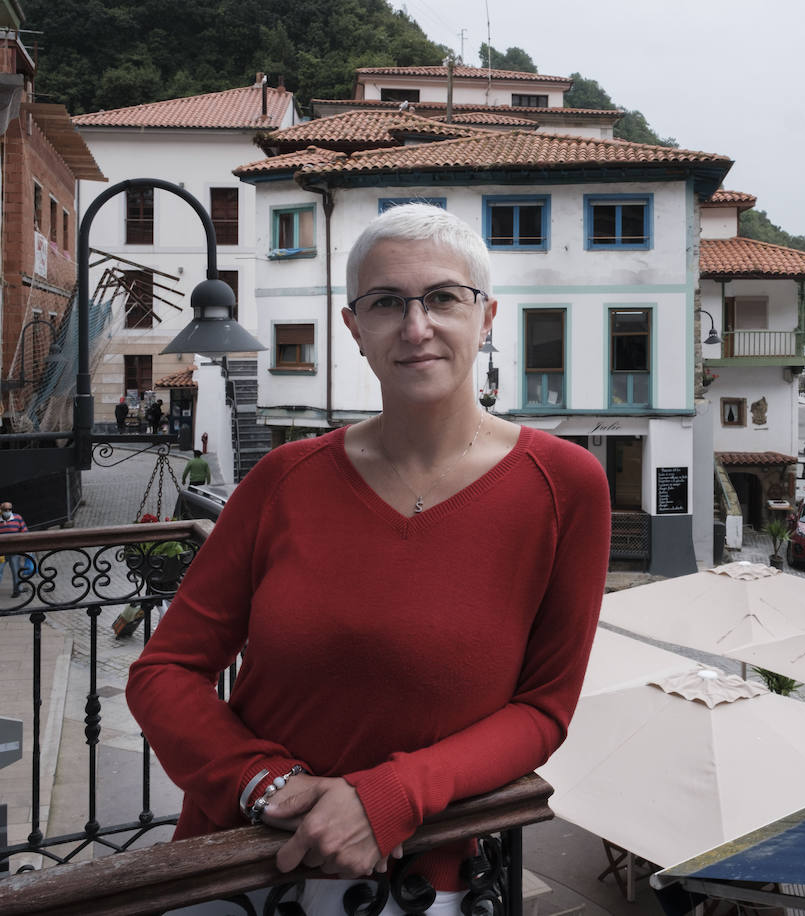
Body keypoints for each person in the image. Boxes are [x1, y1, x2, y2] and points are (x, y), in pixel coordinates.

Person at [126, 204, 611, 915]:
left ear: (487, 317)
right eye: (387, 303)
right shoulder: (283, 480)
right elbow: (165, 670)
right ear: (354, 330)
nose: (417, 328)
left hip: (422, 879)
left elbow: (543, 709)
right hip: (241, 863)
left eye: (444, 298)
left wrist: (388, 796)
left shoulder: (566, 486)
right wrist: (262, 783)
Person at [1, 500, 29, 597]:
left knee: (16, 571)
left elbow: (25, 532)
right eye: (5, 509)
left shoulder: (17, 518)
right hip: (1, 552)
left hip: (14, 550)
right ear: (1, 510)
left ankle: (17, 590)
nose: (7, 511)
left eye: (9, 509)